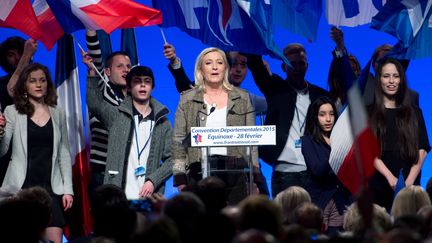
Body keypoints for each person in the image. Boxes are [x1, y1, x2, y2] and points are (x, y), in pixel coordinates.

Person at [164, 43, 270, 196]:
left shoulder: (244, 98)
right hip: (199, 171)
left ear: (225, 68)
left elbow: (252, 145)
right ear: (201, 69)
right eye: (209, 63)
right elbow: (178, 141)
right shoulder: (189, 98)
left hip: (237, 174)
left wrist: (255, 178)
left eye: (220, 63)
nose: (215, 67)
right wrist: (180, 179)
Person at [0, 63, 73, 243]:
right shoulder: (12, 111)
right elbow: (2, 150)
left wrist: (68, 190)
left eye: (42, 80)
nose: (39, 85)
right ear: (25, 85)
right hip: (21, 188)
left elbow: (64, 153)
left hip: (52, 188)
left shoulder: (59, 113)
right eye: (33, 81)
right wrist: (0, 132)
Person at [85, 50, 173, 199]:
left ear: (153, 87)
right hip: (117, 195)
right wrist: (92, 72)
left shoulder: (162, 122)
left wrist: (153, 180)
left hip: (148, 197)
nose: (143, 85)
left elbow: (175, 159)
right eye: (137, 82)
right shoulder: (116, 115)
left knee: (144, 223)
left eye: (147, 81)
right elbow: (94, 103)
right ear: (130, 87)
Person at [247, 44, 329, 197]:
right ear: (284, 67)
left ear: (307, 66)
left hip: (313, 173)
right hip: (283, 173)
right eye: (292, 64)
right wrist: (251, 35)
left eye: (301, 63)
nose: (297, 68)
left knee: (313, 220)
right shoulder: (275, 89)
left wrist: (340, 50)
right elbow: (256, 65)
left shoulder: (320, 95)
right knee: (285, 221)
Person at [368, 58, 430, 212]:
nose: (391, 81)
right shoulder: (369, 112)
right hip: (379, 183)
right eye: (386, 76)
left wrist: (407, 183)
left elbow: (422, 149)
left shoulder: (414, 112)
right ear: (379, 79)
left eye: (396, 76)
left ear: (401, 80)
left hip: (409, 182)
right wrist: (391, 178)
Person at [85, 30, 133, 201]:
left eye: (128, 66)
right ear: (106, 71)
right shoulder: (102, 91)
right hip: (103, 174)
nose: (125, 70)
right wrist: (90, 27)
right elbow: (95, 57)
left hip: (130, 174)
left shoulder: (136, 99)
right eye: (119, 66)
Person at [301, 97, 352, 234]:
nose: (328, 119)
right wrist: (336, 148)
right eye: (322, 115)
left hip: (340, 200)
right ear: (315, 117)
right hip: (318, 200)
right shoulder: (307, 141)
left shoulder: (342, 140)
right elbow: (318, 170)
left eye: (331, 114)